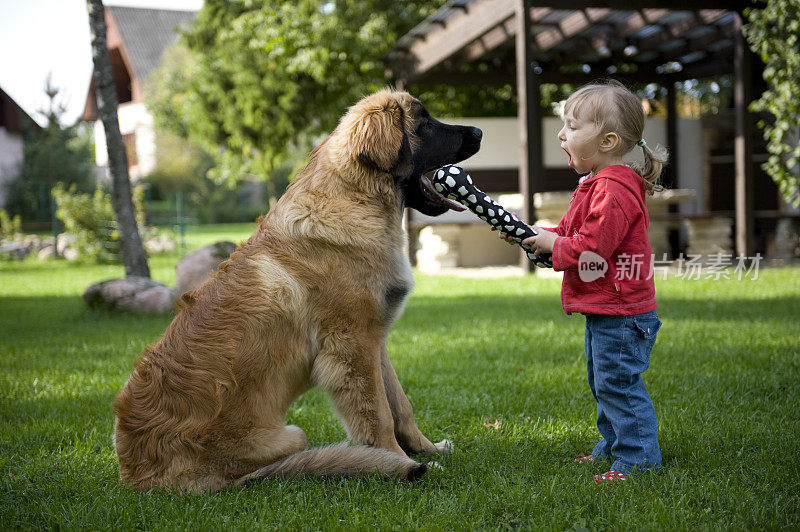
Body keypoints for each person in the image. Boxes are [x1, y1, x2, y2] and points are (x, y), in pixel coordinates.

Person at [504, 79, 668, 482]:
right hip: (607, 307)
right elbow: (570, 232)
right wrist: (534, 235)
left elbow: (593, 246)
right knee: (604, 382)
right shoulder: (596, 184)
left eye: (573, 127)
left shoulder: (613, 189)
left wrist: (552, 244)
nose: (562, 134)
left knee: (619, 385)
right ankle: (613, 447)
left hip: (622, 311)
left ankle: (639, 460)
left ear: (609, 140)